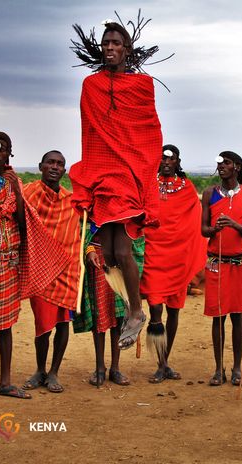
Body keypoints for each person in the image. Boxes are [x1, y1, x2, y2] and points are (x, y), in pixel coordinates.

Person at [69, 17, 163, 350]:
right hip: (101, 170)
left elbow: (149, 131)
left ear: (127, 49)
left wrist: (142, 172)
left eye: (116, 43)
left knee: (123, 248)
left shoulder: (142, 85)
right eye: (106, 43)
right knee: (107, 252)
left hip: (129, 172)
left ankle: (136, 312)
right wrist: (93, 171)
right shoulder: (90, 85)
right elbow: (89, 131)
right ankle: (128, 308)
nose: (110, 48)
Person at [0, 132, 67, 403]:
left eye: (2, 149)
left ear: (10, 154)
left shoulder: (13, 183)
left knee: (6, 325)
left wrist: (17, 192)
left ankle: (5, 382)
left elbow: (22, 221)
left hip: (8, 263)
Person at [140, 144, 207, 383]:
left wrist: (189, 249)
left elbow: (194, 220)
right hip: (153, 254)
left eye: (171, 159)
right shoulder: (148, 185)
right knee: (156, 309)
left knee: (174, 310)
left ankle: (164, 363)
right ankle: (161, 362)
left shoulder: (187, 188)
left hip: (177, 257)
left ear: (178, 162)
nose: (166, 162)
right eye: (162, 158)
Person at [22, 151, 80, 393]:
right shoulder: (27, 195)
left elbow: (79, 231)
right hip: (40, 270)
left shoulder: (72, 201)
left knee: (63, 324)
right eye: (51, 163)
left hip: (67, 269)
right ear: (41, 167)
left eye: (60, 164)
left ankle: (54, 372)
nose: (55, 167)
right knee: (42, 325)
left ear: (64, 171)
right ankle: (39, 369)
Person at [201, 151, 242, 386]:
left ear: (237, 167)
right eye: (219, 163)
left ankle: (235, 368)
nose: (222, 166)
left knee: (237, 316)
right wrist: (214, 229)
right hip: (216, 263)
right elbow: (203, 229)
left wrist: (234, 225)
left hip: (239, 263)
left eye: (226, 163)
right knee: (218, 317)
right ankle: (218, 369)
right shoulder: (209, 194)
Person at [73, 226, 144, 387]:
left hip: (122, 259)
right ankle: (99, 367)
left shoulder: (124, 203)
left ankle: (115, 368)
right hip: (97, 255)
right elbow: (81, 224)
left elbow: (135, 228)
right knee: (100, 312)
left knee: (119, 314)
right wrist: (88, 249)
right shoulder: (93, 201)